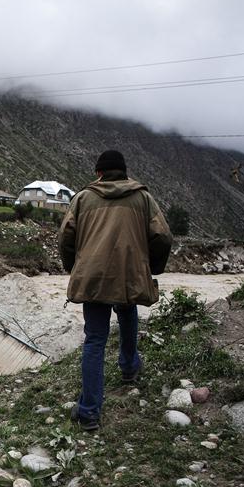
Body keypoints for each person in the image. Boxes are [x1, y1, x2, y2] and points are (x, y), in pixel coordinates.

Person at [58, 150, 173, 431]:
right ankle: (130, 367)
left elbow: (65, 236)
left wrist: (75, 267)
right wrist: (151, 267)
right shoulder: (143, 198)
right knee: (126, 311)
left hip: (93, 276)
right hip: (128, 274)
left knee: (95, 340)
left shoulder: (83, 198)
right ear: (124, 172)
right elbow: (163, 236)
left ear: (98, 173)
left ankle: (88, 413)